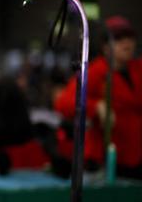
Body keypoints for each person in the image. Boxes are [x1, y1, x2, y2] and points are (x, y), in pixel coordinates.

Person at [54, 15, 142, 179]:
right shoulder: (94, 71)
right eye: (118, 38)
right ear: (105, 46)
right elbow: (63, 103)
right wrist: (96, 107)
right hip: (110, 160)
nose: (126, 42)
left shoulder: (138, 68)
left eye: (129, 37)